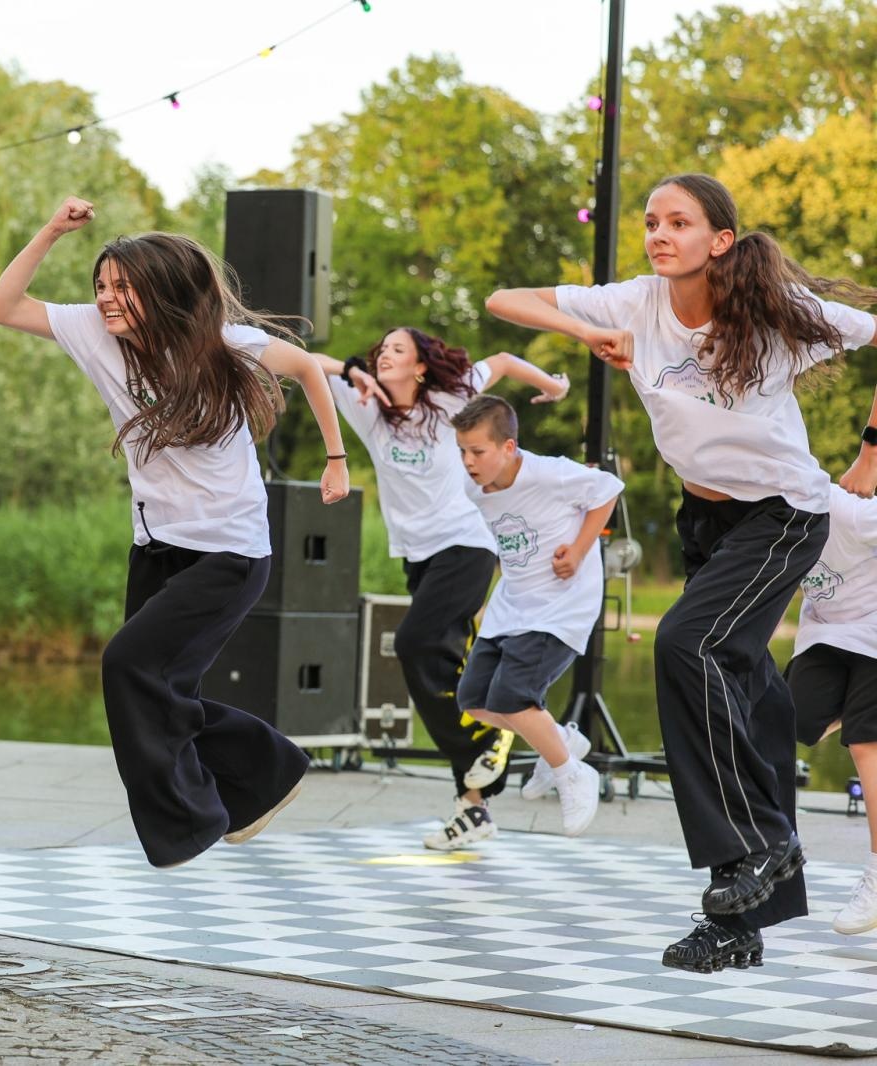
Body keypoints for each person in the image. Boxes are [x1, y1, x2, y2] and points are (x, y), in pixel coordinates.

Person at [486, 172, 877, 973]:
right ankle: (744, 916)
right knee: (747, 689)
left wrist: (871, 451)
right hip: (706, 520)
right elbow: (505, 300)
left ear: (720, 241)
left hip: (783, 515)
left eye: (679, 223)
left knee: (687, 646)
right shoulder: (635, 302)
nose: (658, 234)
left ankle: (757, 851)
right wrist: (582, 331)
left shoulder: (780, 317)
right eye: (651, 221)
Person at [0, 196, 350, 869]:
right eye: (100, 286)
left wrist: (335, 457)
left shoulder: (223, 345)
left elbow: (304, 367)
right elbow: (2, 306)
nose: (106, 299)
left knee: (129, 666)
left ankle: (191, 822)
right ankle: (266, 775)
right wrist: (50, 231)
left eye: (122, 287)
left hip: (231, 550)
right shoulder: (93, 333)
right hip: (157, 547)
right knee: (156, 690)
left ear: (161, 290)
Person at [318, 328, 568, 850]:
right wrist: (348, 369)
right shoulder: (368, 405)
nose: (384, 354)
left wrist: (554, 386)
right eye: (380, 348)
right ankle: (473, 805)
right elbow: (301, 363)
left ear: (421, 368)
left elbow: (499, 359)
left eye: (397, 350)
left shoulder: (451, 399)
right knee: (438, 665)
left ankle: (492, 734)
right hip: (417, 555)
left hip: (467, 543)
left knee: (414, 643)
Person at [451, 395, 622, 838]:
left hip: (560, 605)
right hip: (512, 605)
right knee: (474, 699)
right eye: (462, 451)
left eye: (478, 451)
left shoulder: (548, 472)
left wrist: (581, 548)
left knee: (513, 697)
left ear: (509, 448)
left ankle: (572, 773)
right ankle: (559, 745)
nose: (468, 462)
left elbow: (607, 490)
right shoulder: (474, 487)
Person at [786, 484, 877, 935]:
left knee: (865, 742)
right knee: (788, 720)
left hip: (875, 631)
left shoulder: (850, 514)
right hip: (826, 635)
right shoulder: (763, 513)